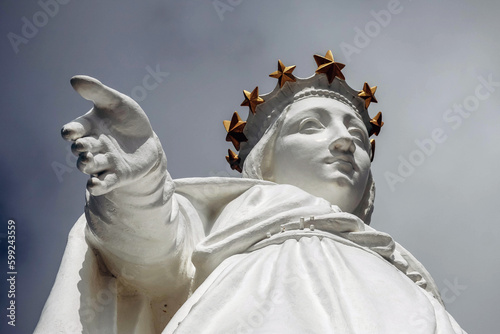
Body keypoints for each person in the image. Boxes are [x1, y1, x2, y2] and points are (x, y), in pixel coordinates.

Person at [35, 51, 467, 334]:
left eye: (355, 132)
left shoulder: (403, 272)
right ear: (266, 158)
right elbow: (151, 263)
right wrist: (138, 183)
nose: (344, 142)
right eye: (312, 126)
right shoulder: (229, 211)